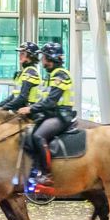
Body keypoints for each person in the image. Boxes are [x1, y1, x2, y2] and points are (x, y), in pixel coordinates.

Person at [18, 42, 74, 187]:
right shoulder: (51, 76)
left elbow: (50, 102)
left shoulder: (61, 74)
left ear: (51, 58)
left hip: (61, 115)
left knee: (39, 135)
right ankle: (32, 170)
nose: (41, 60)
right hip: (52, 114)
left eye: (44, 57)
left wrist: (30, 109)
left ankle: (48, 174)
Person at [0, 41, 42, 112]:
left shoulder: (30, 72)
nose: (20, 56)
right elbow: (13, 96)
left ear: (31, 56)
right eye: (20, 53)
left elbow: (22, 97)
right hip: (19, 110)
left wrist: (4, 108)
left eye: (22, 53)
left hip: (29, 112)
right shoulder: (23, 72)